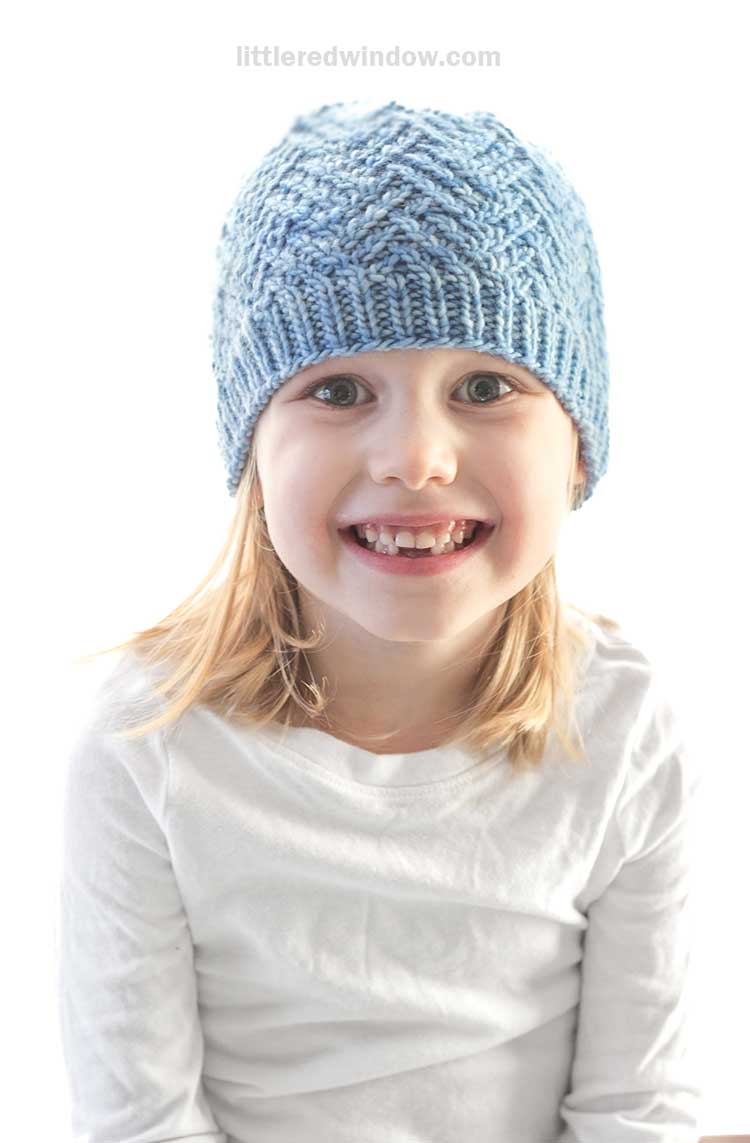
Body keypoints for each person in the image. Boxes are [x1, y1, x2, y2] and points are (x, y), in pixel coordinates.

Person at [56, 101, 703, 1142]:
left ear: (578, 446)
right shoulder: (148, 742)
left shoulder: (624, 725)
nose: (415, 459)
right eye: (339, 388)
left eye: (485, 385)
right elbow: (143, 1124)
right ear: (252, 450)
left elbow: (637, 1110)